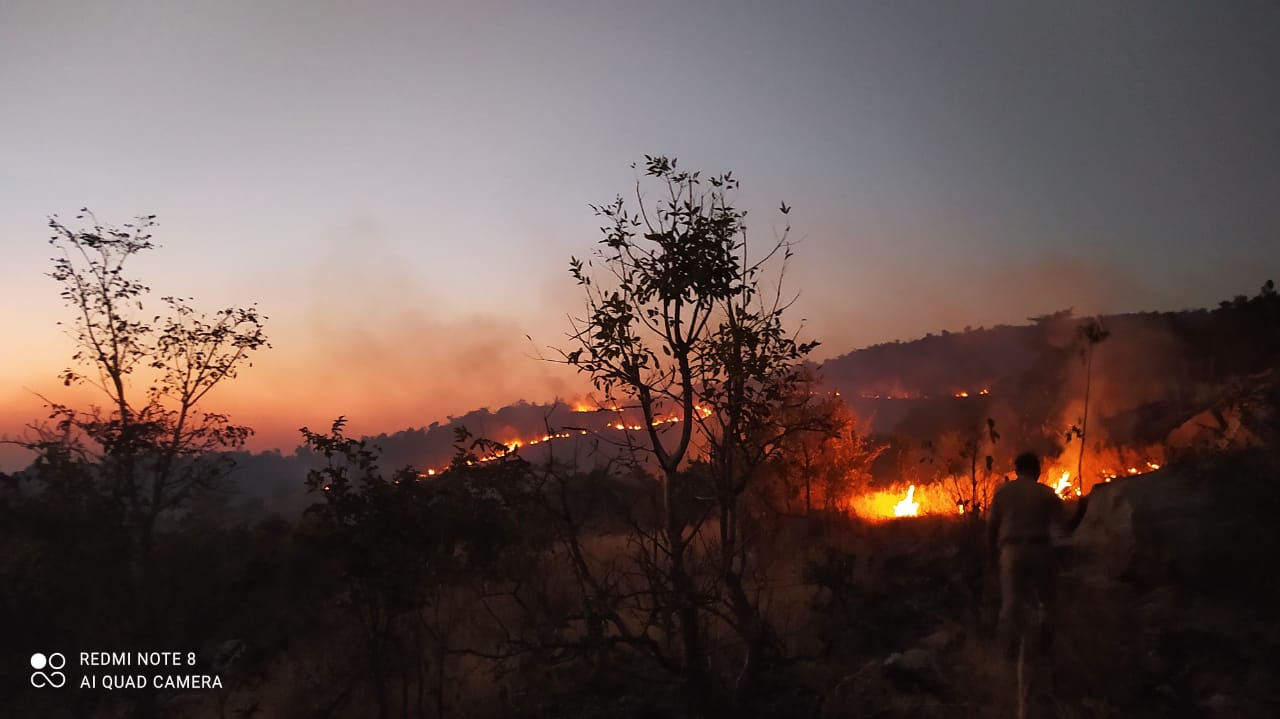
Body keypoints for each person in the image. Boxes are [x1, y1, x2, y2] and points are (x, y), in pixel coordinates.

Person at [987, 452, 1067, 661]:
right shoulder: (1047, 493)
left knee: (1011, 603)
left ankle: (1007, 651)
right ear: (1037, 470)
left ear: (1016, 470)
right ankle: (1045, 647)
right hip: (1040, 549)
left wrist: (990, 556)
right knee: (1047, 602)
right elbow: (1062, 529)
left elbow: (992, 527)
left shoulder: (1003, 492)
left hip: (1011, 551)